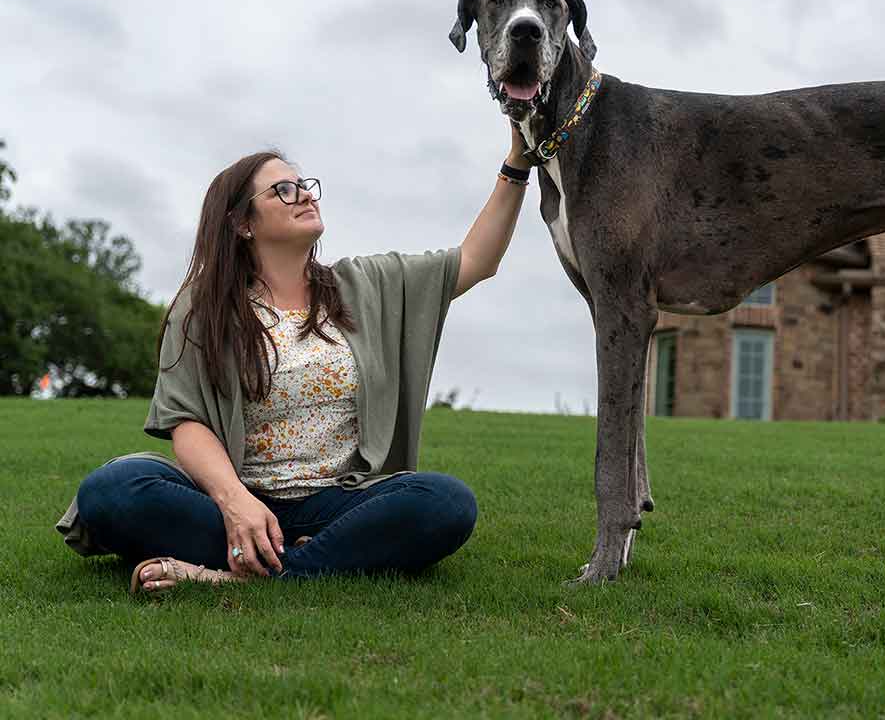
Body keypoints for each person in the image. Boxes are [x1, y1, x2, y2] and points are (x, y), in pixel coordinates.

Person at [56, 123, 534, 593]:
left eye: (304, 186)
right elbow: (186, 421)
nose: (305, 195)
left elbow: (476, 260)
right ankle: (308, 556)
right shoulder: (204, 305)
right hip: (234, 501)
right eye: (282, 191)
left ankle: (241, 575)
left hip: (339, 502)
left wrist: (517, 162)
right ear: (242, 223)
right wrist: (235, 502)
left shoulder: (366, 285)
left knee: (445, 503)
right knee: (111, 490)